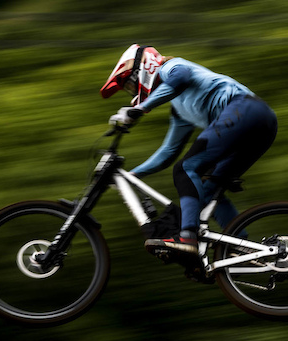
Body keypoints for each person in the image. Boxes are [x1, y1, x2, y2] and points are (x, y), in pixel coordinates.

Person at [101, 44, 277, 256]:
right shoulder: (179, 110)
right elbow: (167, 151)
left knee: (185, 169)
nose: (133, 89)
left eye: (130, 82)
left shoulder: (171, 67)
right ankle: (241, 246)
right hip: (262, 125)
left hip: (245, 110)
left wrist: (140, 109)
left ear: (144, 66)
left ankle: (187, 238)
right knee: (206, 191)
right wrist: (134, 175)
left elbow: (180, 78)